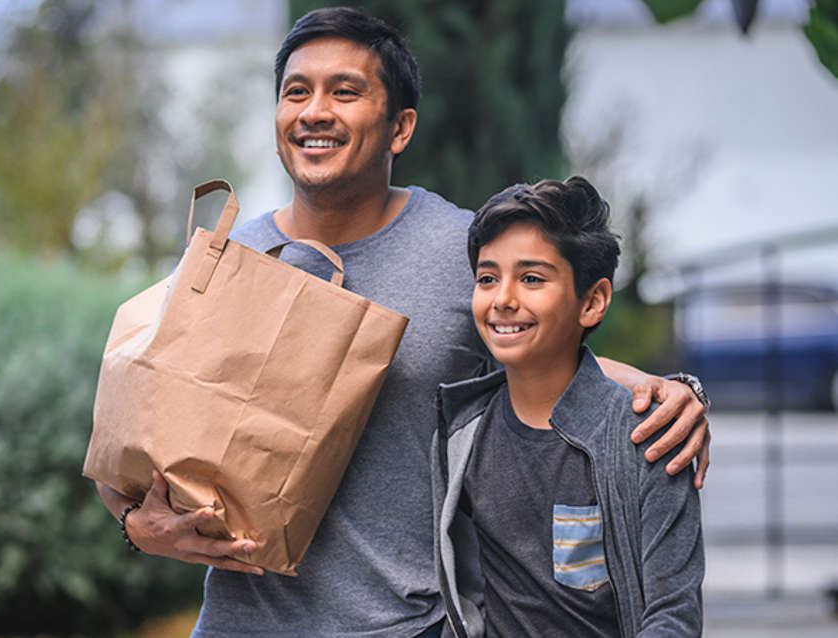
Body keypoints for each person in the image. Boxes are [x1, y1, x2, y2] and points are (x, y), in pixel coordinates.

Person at [93, 8, 710, 637]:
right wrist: (132, 523)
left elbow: (549, 359)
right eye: (296, 92)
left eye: (346, 91)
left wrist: (671, 393)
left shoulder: (461, 253)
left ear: (400, 128)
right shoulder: (224, 260)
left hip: (405, 627)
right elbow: (130, 431)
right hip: (238, 624)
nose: (314, 111)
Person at [432, 177, 704, 638]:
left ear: (593, 301)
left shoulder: (648, 436)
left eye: (532, 278)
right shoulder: (461, 435)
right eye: (487, 278)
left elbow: (673, 615)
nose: (503, 299)